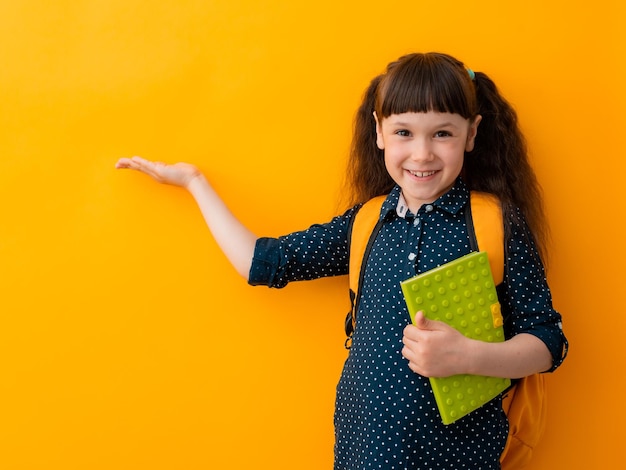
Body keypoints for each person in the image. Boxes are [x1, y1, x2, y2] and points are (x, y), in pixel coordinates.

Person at [116, 52, 567, 469]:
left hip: (461, 458)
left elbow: (549, 343)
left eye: (442, 133)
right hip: (360, 453)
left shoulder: (495, 222)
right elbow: (262, 262)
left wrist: (469, 355)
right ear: (378, 132)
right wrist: (195, 182)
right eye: (404, 133)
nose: (422, 153)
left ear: (471, 133)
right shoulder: (366, 223)